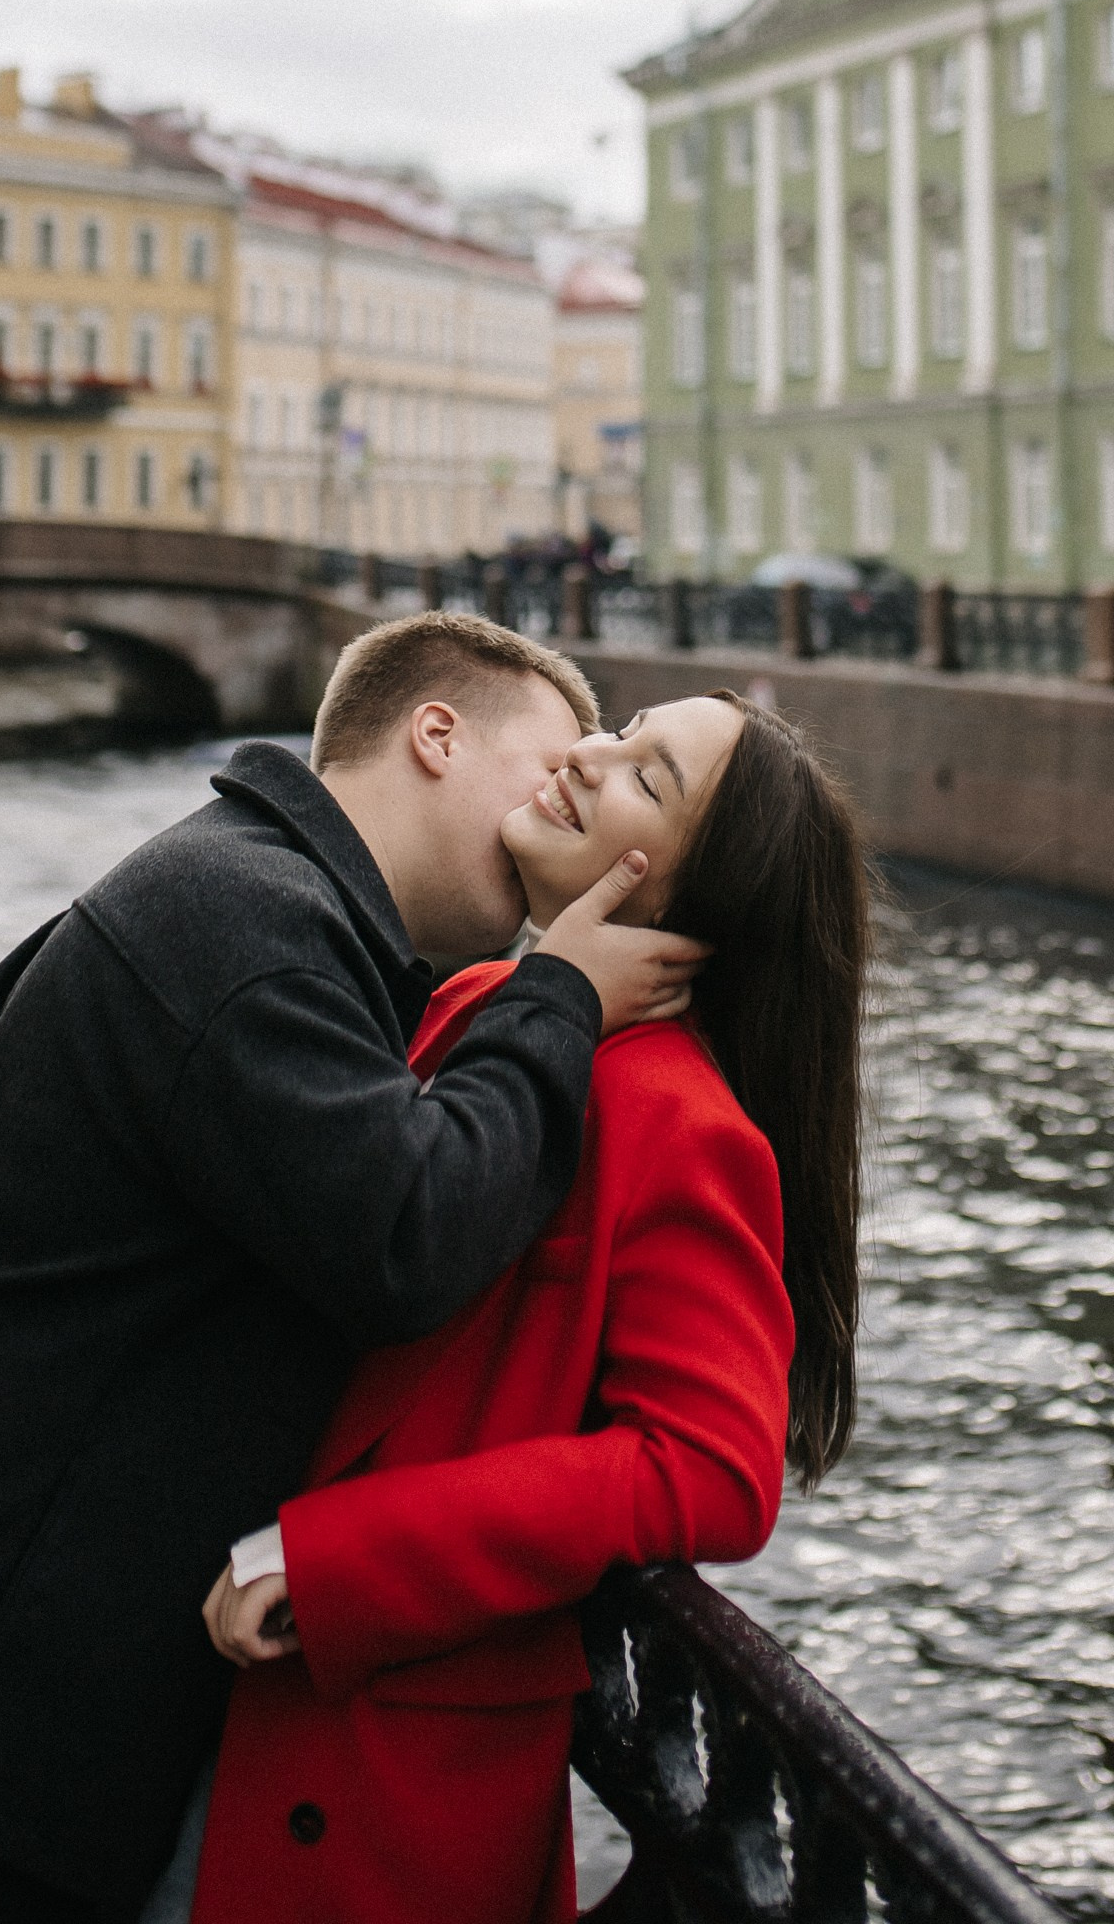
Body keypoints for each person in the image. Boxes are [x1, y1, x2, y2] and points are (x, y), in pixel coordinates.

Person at [0, 612, 709, 1924]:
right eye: (552, 763)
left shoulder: (256, 896)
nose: (560, 807)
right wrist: (560, 995)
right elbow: (409, 1235)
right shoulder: (254, 930)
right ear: (436, 733)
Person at [168, 689, 869, 1924]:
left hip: (380, 1756)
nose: (585, 756)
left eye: (644, 777)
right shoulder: (487, 1000)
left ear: (682, 909)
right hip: (241, 1689)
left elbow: (713, 1467)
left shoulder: (679, 1121)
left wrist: (342, 1555)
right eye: (621, 729)